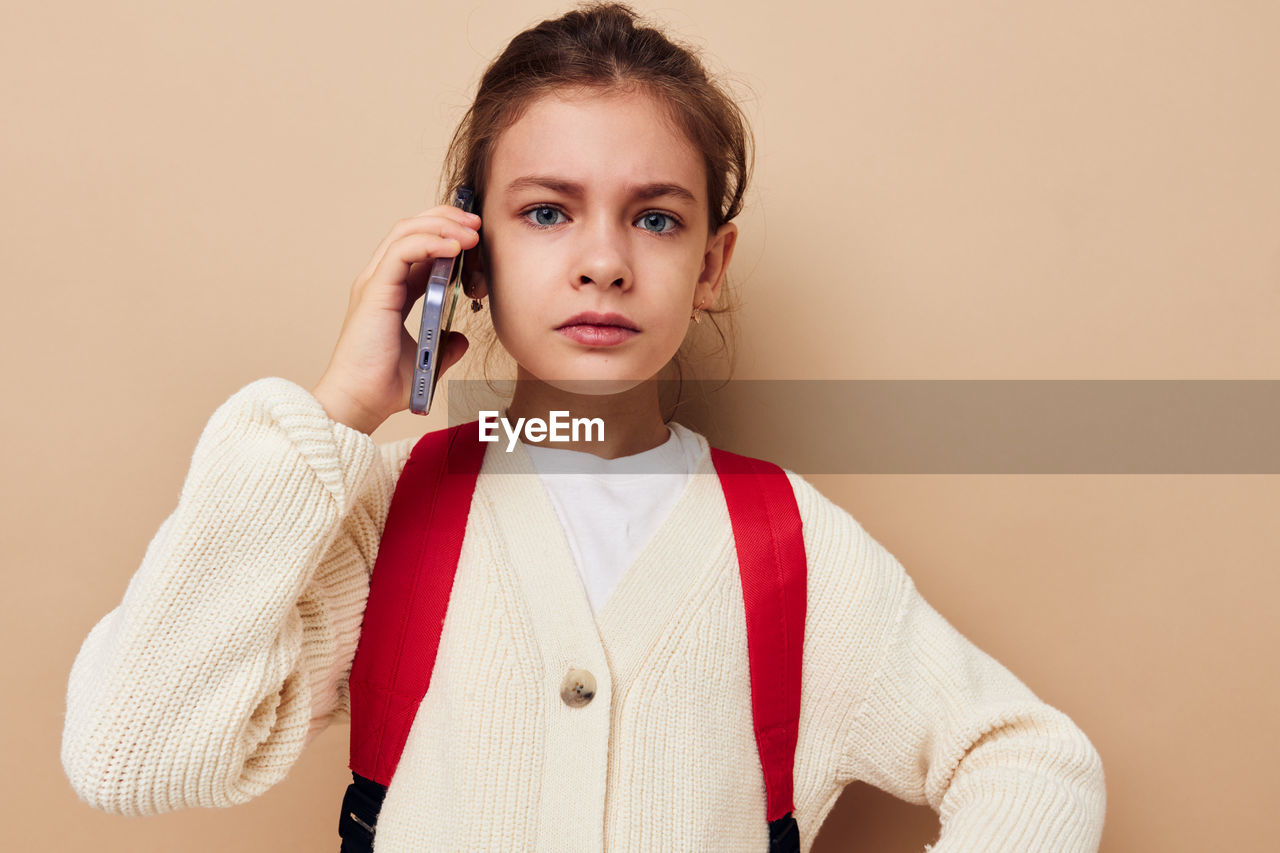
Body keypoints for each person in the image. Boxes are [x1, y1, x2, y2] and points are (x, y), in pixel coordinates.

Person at [60, 3, 1106, 851]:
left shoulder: (782, 541)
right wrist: (335, 411)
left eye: (654, 217)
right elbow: (127, 753)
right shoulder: (384, 510)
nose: (602, 260)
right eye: (546, 211)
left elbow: (1031, 759)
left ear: (708, 265)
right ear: (469, 257)